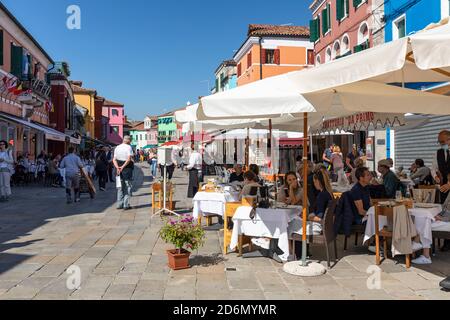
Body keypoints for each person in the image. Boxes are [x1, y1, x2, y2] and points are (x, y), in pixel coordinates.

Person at [431, 130, 450, 251]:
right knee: (445, 212)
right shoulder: (438, 153)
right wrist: (436, 177)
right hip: (443, 188)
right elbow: (433, 168)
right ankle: (447, 242)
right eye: (439, 142)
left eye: (443, 142)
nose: (441, 144)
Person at [113, 136, 135, 210]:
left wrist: (117, 167)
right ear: (128, 140)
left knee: (120, 187)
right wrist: (122, 167)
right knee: (127, 187)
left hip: (118, 170)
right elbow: (129, 159)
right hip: (127, 169)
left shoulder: (117, 147)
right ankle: (125, 205)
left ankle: (119, 204)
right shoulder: (128, 147)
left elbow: (114, 159)